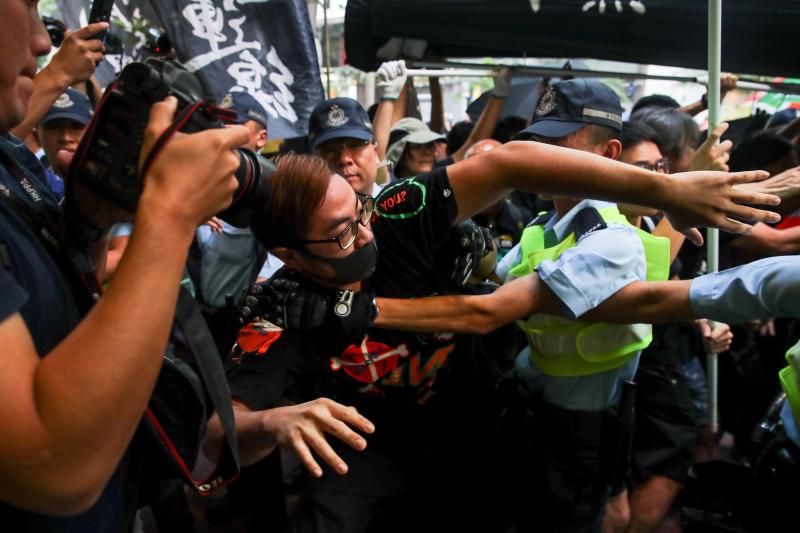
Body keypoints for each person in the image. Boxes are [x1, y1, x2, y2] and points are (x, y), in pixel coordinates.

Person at [207, 76, 778, 532]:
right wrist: (272, 420)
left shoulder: (392, 215)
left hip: (474, 429)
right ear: (290, 254)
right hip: (365, 453)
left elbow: (504, 165)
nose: (364, 237)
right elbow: (217, 434)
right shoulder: (278, 309)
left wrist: (668, 190)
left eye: (358, 214)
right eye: (340, 235)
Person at [0, 4, 250, 529]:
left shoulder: (8, 160)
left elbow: (61, 306)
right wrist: (170, 214)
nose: (41, 41)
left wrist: (93, 218)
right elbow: (53, 462)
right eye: (22, 5)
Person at [195, 91, 270, 352]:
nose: (222, 135)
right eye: (218, 126)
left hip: (241, 325)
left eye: (233, 129)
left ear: (261, 138)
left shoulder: (270, 195)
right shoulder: (195, 186)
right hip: (199, 320)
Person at [31, 87, 92, 201]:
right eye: (53, 127)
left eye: (76, 126)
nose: (65, 138)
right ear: (36, 136)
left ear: (93, 132)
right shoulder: (27, 178)